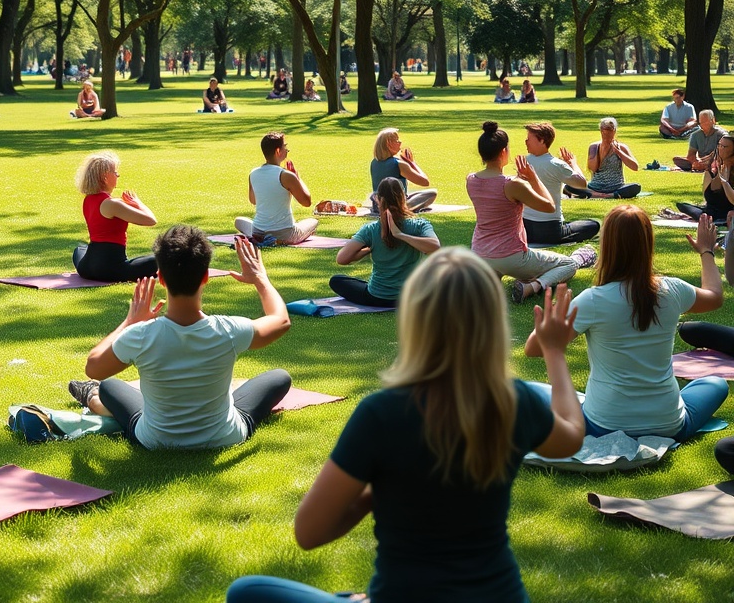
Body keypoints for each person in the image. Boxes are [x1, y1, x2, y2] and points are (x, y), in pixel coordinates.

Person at [226, 248, 584, 603]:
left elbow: (309, 532)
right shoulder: (514, 402)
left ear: (415, 319)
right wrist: (553, 352)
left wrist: (379, 486)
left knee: (247, 592)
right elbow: (570, 438)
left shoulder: (382, 414)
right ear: (491, 321)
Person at [66, 228, 292, 450]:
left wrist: (129, 322)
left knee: (107, 386)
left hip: (154, 440)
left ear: (161, 278)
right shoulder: (229, 330)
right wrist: (260, 278)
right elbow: (280, 320)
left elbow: (93, 368)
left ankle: (94, 400)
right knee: (280, 377)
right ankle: (97, 400)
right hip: (225, 436)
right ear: (205, 276)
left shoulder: (140, 335)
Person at [526, 206, 727, 442]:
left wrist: (547, 327)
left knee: (531, 390)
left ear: (607, 246)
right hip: (668, 424)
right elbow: (714, 296)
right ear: (647, 244)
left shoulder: (592, 300)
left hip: (603, 425)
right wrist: (706, 251)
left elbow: (533, 350)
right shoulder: (673, 289)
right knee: (715, 383)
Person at [466, 122, 592, 304]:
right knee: (569, 264)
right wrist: (533, 178)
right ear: (503, 152)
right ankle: (532, 287)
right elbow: (549, 206)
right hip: (511, 257)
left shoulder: (471, 180)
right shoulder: (512, 185)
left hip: (480, 254)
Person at [329, 178, 440, 307]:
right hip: (410, 298)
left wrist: (372, 246)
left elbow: (342, 259)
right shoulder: (418, 225)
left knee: (337, 281)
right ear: (404, 198)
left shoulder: (370, 230)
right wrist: (402, 237)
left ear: (377, 199)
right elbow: (435, 246)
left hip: (377, 297)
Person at [72, 151, 157, 282]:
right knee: (163, 259)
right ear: (105, 177)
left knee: (80, 249)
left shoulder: (88, 200)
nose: (118, 175)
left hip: (86, 268)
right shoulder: (112, 204)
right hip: (111, 269)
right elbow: (151, 220)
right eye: (115, 172)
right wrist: (138, 203)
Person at [522, 122, 600, 244]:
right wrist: (572, 163)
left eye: (528, 139)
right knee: (594, 224)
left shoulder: (524, 162)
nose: (526, 142)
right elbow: (582, 183)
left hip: (524, 229)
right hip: (550, 231)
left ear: (542, 141)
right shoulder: (556, 164)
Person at [234, 132, 318, 245]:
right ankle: (275, 239)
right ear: (278, 151)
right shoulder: (286, 175)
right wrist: (298, 178)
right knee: (313, 221)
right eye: (285, 146)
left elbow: (253, 201)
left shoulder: (253, 173)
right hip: (285, 234)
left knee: (238, 221)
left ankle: (264, 238)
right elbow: (306, 202)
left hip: (258, 231)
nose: (287, 150)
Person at [564, 117, 640, 199]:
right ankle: (598, 194)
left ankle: (606, 195)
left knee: (636, 187)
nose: (606, 134)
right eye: (604, 131)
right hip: (594, 187)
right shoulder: (594, 147)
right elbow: (592, 168)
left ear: (614, 131)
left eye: (610, 131)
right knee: (569, 186)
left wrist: (619, 152)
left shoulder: (622, 147)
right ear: (600, 131)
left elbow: (635, 167)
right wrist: (601, 151)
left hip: (616, 187)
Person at [369, 127, 437, 213]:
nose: (400, 142)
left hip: (378, 205)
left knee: (411, 195)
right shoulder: (399, 164)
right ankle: (402, 210)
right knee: (432, 193)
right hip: (395, 205)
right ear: (388, 144)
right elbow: (425, 182)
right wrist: (412, 163)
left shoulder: (374, 163)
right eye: (397, 141)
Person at [675, 134, 734, 223]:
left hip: (730, 211)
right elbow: (709, 195)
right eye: (719, 145)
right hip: (712, 211)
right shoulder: (712, 169)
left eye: (724, 146)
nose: (720, 148)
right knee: (683, 206)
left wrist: (725, 182)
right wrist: (720, 176)